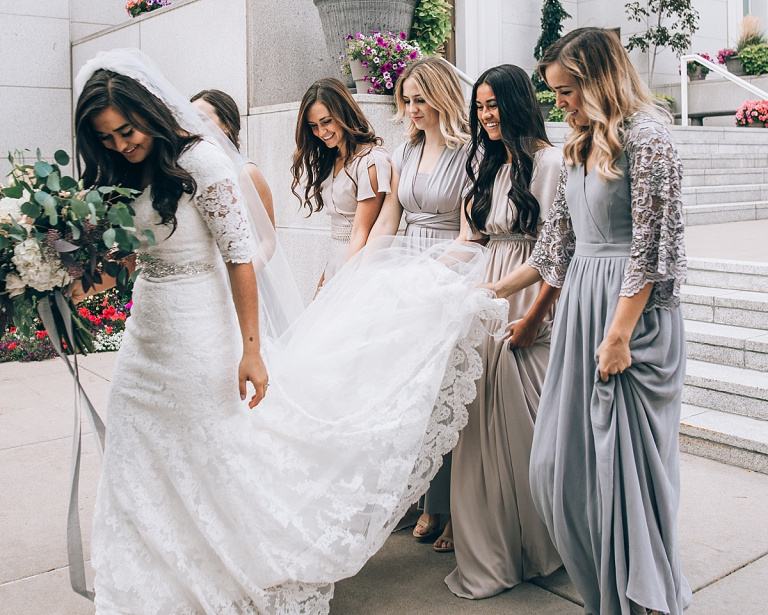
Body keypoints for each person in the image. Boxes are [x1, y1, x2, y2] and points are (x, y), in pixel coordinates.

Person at [70, 49, 507, 615]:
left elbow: (241, 258)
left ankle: (223, 563)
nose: (121, 145)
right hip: (146, 331)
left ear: (146, 113)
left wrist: (253, 350)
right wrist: (61, 283)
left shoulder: (200, 163)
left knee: (208, 452)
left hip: (203, 328)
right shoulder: (122, 173)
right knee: (136, 448)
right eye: (105, 139)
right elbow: (128, 260)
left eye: (126, 131)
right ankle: (144, 579)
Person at [484, 28, 690, 615]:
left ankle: (640, 600)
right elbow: (557, 244)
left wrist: (620, 334)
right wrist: (497, 289)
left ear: (600, 79)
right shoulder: (577, 143)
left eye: (568, 91)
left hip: (630, 317)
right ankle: (607, 586)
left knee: (623, 470)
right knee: (555, 467)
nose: (560, 104)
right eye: (555, 93)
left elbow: (653, 246)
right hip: (581, 311)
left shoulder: (648, 138)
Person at [444, 64, 563, 599]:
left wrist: (516, 303)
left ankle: (543, 542)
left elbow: (554, 252)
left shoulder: (550, 162)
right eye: (480, 107)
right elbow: (475, 240)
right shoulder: (493, 164)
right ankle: (494, 541)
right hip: (486, 288)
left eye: (493, 105)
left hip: (526, 294)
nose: (485, 116)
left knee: (527, 424)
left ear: (517, 103)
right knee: (481, 420)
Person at [291, 78, 391, 292]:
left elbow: (360, 232)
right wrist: (323, 284)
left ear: (343, 113)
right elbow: (337, 239)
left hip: (360, 266)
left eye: (326, 121)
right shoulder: (330, 162)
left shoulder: (371, 161)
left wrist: (345, 288)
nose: (321, 132)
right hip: (336, 264)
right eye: (314, 126)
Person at [191, 88, 276, 227]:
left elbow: (268, 240)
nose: (194, 126)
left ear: (226, 124)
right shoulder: (186, 169)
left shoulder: (247, 172)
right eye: (189, 120)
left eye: (202, 119)